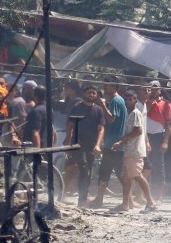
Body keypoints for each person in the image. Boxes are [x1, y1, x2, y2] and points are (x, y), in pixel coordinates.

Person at [112, 90, 156, 211]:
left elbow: (138, 131)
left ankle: (151, 202)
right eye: (126, 99)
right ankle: (126, 204)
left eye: (130, 99)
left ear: (135, 100)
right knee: (127, 178)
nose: (127, 101)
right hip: (129, 151)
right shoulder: (129, 113)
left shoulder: (136, 113)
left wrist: (121, 142)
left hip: (134, 150)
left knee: (137, 176)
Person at [89, 77, 128, 209]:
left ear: (114, 86)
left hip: (114, 144)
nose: (104, 87)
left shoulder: (116, 100)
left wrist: (103, 105)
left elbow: (111, 119)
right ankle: (100, 199)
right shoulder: (117, 100)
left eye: (107, 84)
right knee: (106, 172)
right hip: (112, 144)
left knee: (118, 174)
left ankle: (126, 201)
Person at [64, 85, 105, 207]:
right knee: (75, 169)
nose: (92, 95)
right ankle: (68, 197)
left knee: (87, 171)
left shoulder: (98, 110)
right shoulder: (77, 108)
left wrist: (98, 145)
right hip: (77, 144)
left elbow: (101, 129)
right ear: (84, 93)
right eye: (89, 92)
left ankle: (82, 200)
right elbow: (70, 126)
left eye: (94, 93)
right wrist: (68, 141)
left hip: (91, 146)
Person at [144, 80, 171, 204]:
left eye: (156, 88)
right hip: (146, 137)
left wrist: (165, 141)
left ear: (160, 90)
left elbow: (168, 125)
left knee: (159, 166)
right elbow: (142, 117)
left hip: (158, 137)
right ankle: (145, 194)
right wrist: (150, 105)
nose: (154, 90)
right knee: (146, 165)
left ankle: (160, 196)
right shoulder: (145, 102)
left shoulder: (166, 104)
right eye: (151, 88)